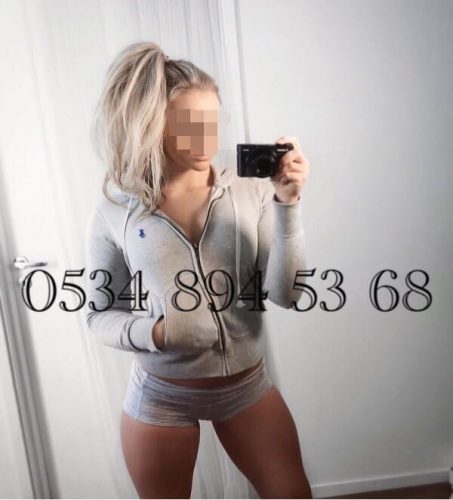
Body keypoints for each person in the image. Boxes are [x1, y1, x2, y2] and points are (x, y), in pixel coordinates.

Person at [85, 41, 312, 499]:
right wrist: (158, 333)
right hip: (160, 395)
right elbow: (98, 314)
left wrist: (288, 204)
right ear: (155, 127)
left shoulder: (251, 191)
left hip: (245, 387)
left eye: (212, 122)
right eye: (190, 125)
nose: (206, 139)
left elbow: (287, 294)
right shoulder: (116, 210)